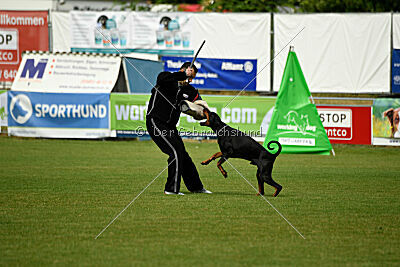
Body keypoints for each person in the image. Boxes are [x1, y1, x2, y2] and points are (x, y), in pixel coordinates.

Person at [146, 62, 212, 195]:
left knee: (183, 155)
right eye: (189, 75)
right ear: (182, 70)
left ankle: (196, 187)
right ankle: (171, 189)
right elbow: (163, 79)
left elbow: (198, 106)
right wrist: (182, 75)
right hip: (156, 122)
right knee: (175, 152)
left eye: (192, 77)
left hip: (170, 126)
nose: (190, 79)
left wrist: (201, 112)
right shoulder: (166, 78)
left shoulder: (191, 90)